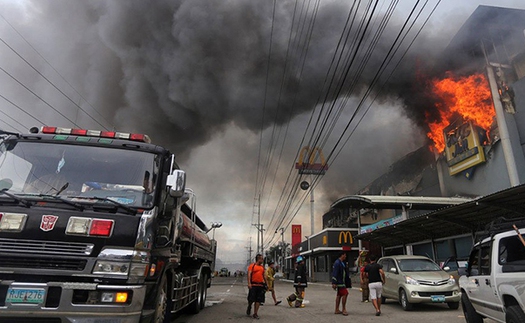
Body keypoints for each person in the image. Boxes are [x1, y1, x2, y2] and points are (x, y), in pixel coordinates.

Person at [247, 254, 267, 319]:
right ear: (258, 259)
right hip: (253, 285)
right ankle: (249, 306)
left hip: (260, 285)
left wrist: (266, 284)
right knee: (251, 299)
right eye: (261, 259)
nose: (262, 260)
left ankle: (255, 313)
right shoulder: (252, 266)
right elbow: (249, 275)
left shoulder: (262, 267)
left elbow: (264, 276)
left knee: (258, 300)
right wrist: (249, 283)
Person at [331, 251, 349, 316]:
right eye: (345, 255)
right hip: (339, 282)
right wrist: (334, 282)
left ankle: (337, 309)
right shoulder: (337, 263)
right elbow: (335, 273)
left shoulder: (341, 262)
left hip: (342, 281)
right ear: (342, 255)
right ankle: (344, 309)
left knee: (339, 295)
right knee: (345, 293)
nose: (345, 256)